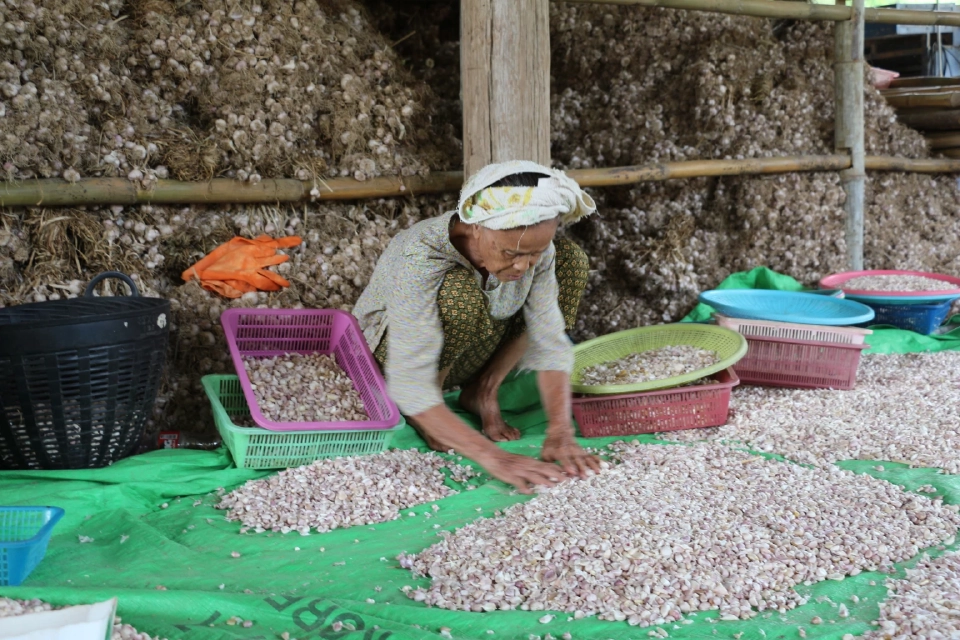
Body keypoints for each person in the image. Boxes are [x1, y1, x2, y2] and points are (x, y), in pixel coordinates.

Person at [353, 160, 601, 493]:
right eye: (511, 252)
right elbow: (409, 381)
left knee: (571, 259)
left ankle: (484, 390)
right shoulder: (419, 255)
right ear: (476, 228)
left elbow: (549, 338)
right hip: (397, 360)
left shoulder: (534, 252)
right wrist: (496, 458)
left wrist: (560, 432)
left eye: (534, 252)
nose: (523, 265)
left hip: (474, 346)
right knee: (459, 294)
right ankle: (430, 409)